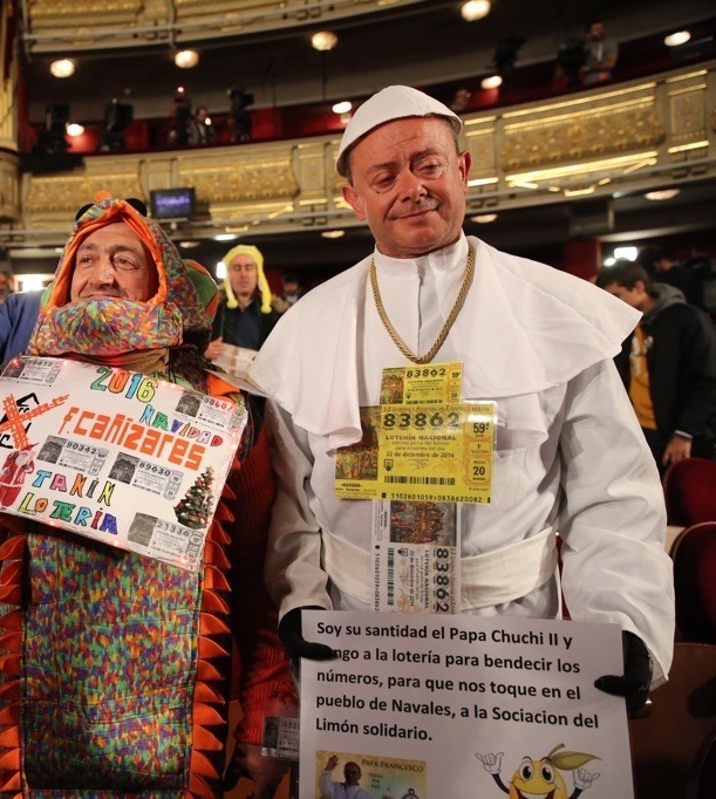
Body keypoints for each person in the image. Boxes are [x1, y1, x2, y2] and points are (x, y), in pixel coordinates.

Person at [251, 86, 673, 712]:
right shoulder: (307, 327)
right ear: (354, 198)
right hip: (352, 637)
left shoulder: (553, 311)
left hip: (513, 636)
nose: (412, 188)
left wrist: (623, 621)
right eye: (385, 177)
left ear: (463, 168)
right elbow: (293, 497)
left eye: (428, 164)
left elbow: (612, 491)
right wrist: (301, 601)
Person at [0, 194, 295, 798]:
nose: (101, 275)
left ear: (161, 284)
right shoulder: (24, 396)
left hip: (180, 746)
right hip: (33, 740)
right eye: (86, 260)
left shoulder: (225, 410)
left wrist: (266, 713)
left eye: (125, 261)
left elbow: (262, 576)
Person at [598, 260, 716, 468]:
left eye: (617, 296)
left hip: (678, 435)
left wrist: (685, 432)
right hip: (638, 432)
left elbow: (709, 379)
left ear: (639, 287)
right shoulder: (624, 326)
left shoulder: (687, 318)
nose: (613, 304)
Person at [207, 244, 280, 361]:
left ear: (258, 273)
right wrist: (204, 351)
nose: (243, 274)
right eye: (237, 268)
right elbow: (191, 347)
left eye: (248, 267)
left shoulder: (276, 313)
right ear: (228, 274)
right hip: (218, 372)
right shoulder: (210, 310)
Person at [637, 246, 708, 310]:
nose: (655, 267)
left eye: (656, 264)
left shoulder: (663, 280)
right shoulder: (691, 273)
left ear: (663, 261)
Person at [581, 20, 617, 85]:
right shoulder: (585, 47)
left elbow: (610, 64)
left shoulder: (610, 43)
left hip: (607, 75)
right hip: (590, 78)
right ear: (589, 33)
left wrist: (590, 68)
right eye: (596, 29)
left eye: (601, 28)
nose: (600, 31)